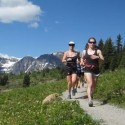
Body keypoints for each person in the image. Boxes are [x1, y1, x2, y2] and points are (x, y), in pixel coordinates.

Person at [81, 37, 104, 107]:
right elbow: (82, 58)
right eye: (91, 42)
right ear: (88, 43)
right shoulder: (84, 51)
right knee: (90, 83)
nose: (92, 43)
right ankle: (90, 100)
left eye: (93, 42)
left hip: (96, 70)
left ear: (95, 43)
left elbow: (103, 59)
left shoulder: (98, 51)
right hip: (87, 69)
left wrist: (97, 57)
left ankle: (91, 94)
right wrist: (82, 62)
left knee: (94, 85)